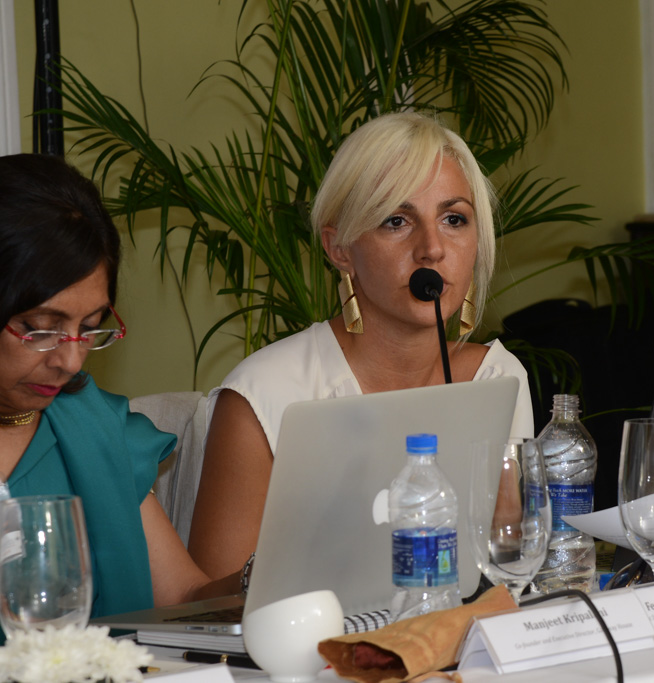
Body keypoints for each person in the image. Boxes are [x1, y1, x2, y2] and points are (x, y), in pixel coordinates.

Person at [189, 112, 533, 579]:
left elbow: (510, 565)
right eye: (396, 221)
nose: (431, 248)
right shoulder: (263, 394)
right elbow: (213, 603)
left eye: (454, 219)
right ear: (339, 249)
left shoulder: (498, 379)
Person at [0, 153, 241, 629]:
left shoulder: (93, 428)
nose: (71, 361)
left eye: (89, 328)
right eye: (40, 329)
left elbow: (183, 597)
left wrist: (262, 576)